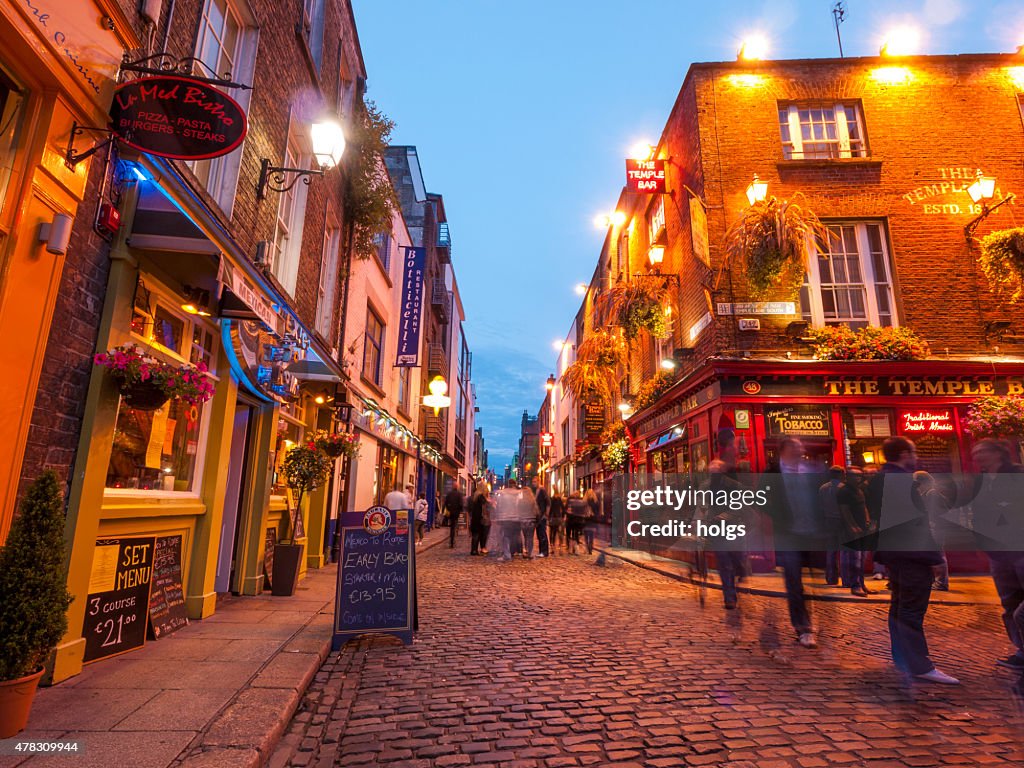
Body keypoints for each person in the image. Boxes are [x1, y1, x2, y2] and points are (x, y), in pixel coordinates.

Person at [867, 436, 957, 684]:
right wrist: (933, 557)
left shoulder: (878, 480)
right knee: (911, 609)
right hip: (910, 555)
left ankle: (902, 658)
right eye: (914, 452)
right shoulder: (900, 482)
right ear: (905, 454)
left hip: (893, 553)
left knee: (899, 606)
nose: (916, 457)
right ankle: (919, 665)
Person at [761, 436, 827, 649]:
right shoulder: (771, 474)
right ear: (785, 450)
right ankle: (803, 628)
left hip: (812, 534)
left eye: (802, 447)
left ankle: (811, 621)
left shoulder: (811, 471)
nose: (802, 450)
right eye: (797, 447)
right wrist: (778, 517)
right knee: (794, 582)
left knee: (816, 581)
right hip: (788, 534)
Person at [968, 438, 1024, 676]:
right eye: (974, 453)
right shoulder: (980, 482)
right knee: (1009, 603)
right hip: (998, 553)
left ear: (997, 453)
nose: (976, 456)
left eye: (981, 451)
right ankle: (1021, 651)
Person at [702, 459, 749, 610]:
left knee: (736, 560)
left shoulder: (734, 486)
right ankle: (729, 598)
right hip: (717, 532)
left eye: (716, 470)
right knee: (724, 564)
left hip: (733, 529)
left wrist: (724, 516)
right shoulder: (705, 487)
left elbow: (740, 507)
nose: (713, 473)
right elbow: (701, 507)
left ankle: (742, 570)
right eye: (711, 471)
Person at [820, 466, 871, 596]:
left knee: (831, 550)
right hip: (842, 521)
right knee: (846, 552)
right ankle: (847, 580)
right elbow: (846, 509)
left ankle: (831, 578)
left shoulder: (823, 488)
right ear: (842, 474)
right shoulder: (844, 489)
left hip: (828, 520)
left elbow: (819, 505)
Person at [494, 481, 522, 561]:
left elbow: (499, 505)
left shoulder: (504, 494)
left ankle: (507, 554)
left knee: (506, 536)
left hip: (507, 517)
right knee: (514, 536)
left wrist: (498, 516)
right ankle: (513, 552)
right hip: (516, 518)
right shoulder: (518, 494)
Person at [468, 481, 491, 555]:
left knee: (476, 534)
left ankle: (474, 549)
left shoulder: (475, 495)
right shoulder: (481, 496)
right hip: (480, 518)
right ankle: (476, 550)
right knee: (479, 534)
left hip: (475, 517)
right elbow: (486, 505)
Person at [518, 485, 539, 559]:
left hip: (523, 521)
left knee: (525, 536)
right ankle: (529, 552)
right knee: (530, 537)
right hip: (531, 521)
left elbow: (518, 510)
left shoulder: (521, 501)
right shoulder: (532, 501)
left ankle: (526, 550)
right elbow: (536, 511)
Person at [444, 484, 465, 548]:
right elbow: (461, 503)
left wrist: (449, 509)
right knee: (454, 526)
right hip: (456, 512)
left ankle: (452, 540)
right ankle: (452, 540)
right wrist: (461, 510)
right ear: (457, 487)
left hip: (451, 512)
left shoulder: (449, 494)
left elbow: (446, 502)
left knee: (452, 526)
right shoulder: (459, 494)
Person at [566, 491, 587, 555]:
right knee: (576, 534)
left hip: (571, 520)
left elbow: (568, 511)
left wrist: (567, 515)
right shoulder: (582, 502)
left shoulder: (571, 501)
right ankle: (576, 549)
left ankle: (570, 548)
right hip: (579, 521)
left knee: (570, 534)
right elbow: (584, 512)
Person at [533, 479, 550, 558]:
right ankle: (541, 551)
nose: (533, 483)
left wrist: (546, 514)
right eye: (533, 482)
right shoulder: (537, 491)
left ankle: (544, 551)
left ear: (538, 482)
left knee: (542, 534)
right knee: (539, 534)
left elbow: (548, 502)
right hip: (538, 516)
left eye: (534, 482)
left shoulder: (542, 490)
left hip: (542, 516)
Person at [583, 488, 600, 554]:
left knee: (586, 535)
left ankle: (587, 547)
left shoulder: (584, 502)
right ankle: (590, 549)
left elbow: (582, 511)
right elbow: (597, 512)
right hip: (593, 520)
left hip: (586, 520)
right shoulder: (596, 502)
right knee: (591, 535)